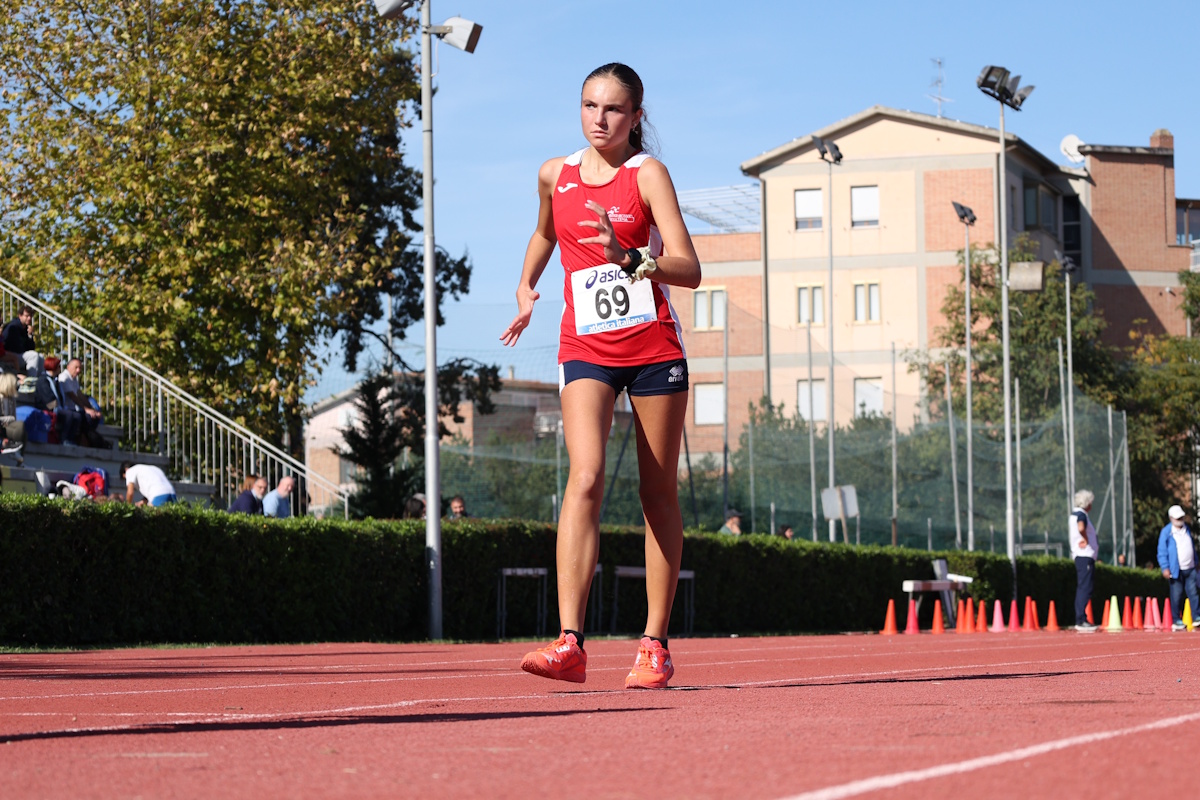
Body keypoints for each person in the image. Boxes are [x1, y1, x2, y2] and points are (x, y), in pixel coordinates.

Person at [502, 63, 700, 690]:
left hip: (651, 348)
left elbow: (689, 267)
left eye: (614, 109)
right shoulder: (553, 174)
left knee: (655, 493)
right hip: (585, 345)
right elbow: (543, 235)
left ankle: (654, 644)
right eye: (590, 105)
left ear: (636, 115)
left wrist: (632, 260)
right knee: (584, 477)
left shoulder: (648, 176)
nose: (599, 119)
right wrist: (528, 286)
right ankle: (570, 643)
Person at [1157, 505, 1200, 631]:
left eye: (1181, 517)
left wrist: (1196, 561)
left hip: (1190, 568)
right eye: (1178, 517)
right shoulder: (1166, 532)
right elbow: (1162, 551)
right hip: (1176, 570)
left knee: (1193, 594)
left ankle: (1197, 617)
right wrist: (1165, 567)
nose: (1180, 519)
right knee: (1177, 595)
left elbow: (1191, 547)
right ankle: (1176, 620)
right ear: (1171, 518)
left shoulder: (1187, 529)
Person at [34, 357, 83, 446]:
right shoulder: (43, 380)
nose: (60, 368)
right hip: (47, 408)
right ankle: (63, 438)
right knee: (68, 415)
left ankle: (70, 438)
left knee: (77, 415)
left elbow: (60, 396)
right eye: (59, 366)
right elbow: (48, 399)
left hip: (58, 407)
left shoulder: (56, 381)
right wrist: (58, 407)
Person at [1070, 489, 1099, 632]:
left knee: (1084, 587)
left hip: (1082, 556)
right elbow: (1081, 527)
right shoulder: (1081, 515)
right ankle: (1080, 619)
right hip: (1084, 556)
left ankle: (1081, 618)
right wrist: (1086, 539)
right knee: (1085, 588)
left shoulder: (1075, 514)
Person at [58, 358, 103, 446]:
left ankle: (86, 439)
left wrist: (92, 409)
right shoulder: (64, 377)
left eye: (80, 368)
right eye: (76, 367)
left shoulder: (74, 379)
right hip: (68, 409)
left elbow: (80, 395)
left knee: (95, 416)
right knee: (87, 417)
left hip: (75, 409)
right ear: (68, 367)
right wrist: (87, 410)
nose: (78, 370)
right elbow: (73, 396)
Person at [2, 305, 41, 374]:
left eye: (30, 316)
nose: (29, 318)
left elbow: (31, 348)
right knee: (33, 356)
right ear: (20, 316)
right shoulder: (13, 327)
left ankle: (42, 382)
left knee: (40, 357)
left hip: (19, 355)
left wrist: (30, 335)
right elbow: (17, 347)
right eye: (26, 316)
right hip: (10, 356)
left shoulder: (26, 329)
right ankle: (30, 382)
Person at [0, 372, 26, 457]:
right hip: (1, 427)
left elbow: (14, 418)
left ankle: (20, 457)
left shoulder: (12, 400)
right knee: (20, 425)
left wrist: (11, 419)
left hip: (7, 426)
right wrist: (9, 418)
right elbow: (11, 418)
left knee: (23, 430)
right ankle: (9, 445)